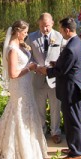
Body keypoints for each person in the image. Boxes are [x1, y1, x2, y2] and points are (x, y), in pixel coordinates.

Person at [0, 20, 47, 159]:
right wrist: (30, 68)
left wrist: (34, 66)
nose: (26, 35)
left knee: (27, 111)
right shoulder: (13, 50)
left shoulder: (19, 46)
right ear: (18, 32)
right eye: (25, 32)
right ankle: (17, 153)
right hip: (19, 85)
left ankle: (31, 150)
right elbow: (13, 74)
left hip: (25, 85)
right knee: (18, 112)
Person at [37, 17, 81, 159]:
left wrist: (44, 70)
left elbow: (61, 71)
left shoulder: (71, 48)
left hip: (71, 89)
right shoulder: (77, 42)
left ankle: (76, 153)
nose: (59, 32)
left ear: (67, 30)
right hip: (74, 87)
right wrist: (57, 63)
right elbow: (67, 65)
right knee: (75, 119)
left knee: (73, 121)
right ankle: (77, 146)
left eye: (60, 29)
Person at [27, 13, 64, 143]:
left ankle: (55, 132)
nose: (45, 29)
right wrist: (36, 66)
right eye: (42, 26)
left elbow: (63, 56)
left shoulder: (59, 37)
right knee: (39, 107)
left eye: (47, 26)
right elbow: (27, 56)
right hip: (38, 78)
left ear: (52, 23)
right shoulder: (31, 37)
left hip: (54, 79)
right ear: (39, 24)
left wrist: (54, 68)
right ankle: (41, 131)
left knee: (55, 107)